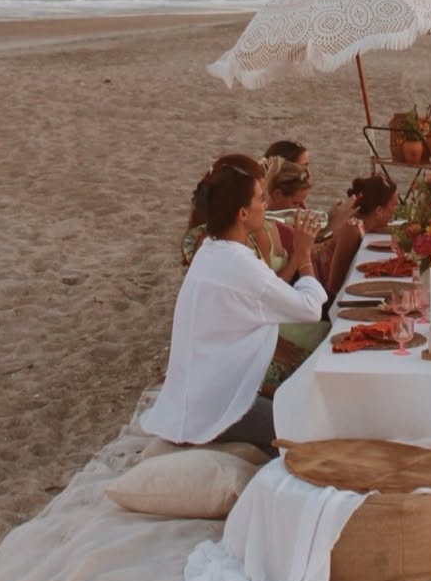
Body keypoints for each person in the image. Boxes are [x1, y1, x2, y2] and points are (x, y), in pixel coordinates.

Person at [141, 155, 327, 450]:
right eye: (259, 198)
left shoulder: (212, 250)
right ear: (242, 213)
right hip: (216, 406)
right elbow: (309, 309)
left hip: (201, 394)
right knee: (311, 433)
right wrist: (304, 257)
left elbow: (268, 293)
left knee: (303, 406)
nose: (265, 205)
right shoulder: (239, 263)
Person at [314, 175, 399, 301]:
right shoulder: (352, 229)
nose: (396, 211)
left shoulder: (366, 223)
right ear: (379, 210)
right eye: (394, 205)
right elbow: (334, 286)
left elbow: (387, 230)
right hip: (322, 295)